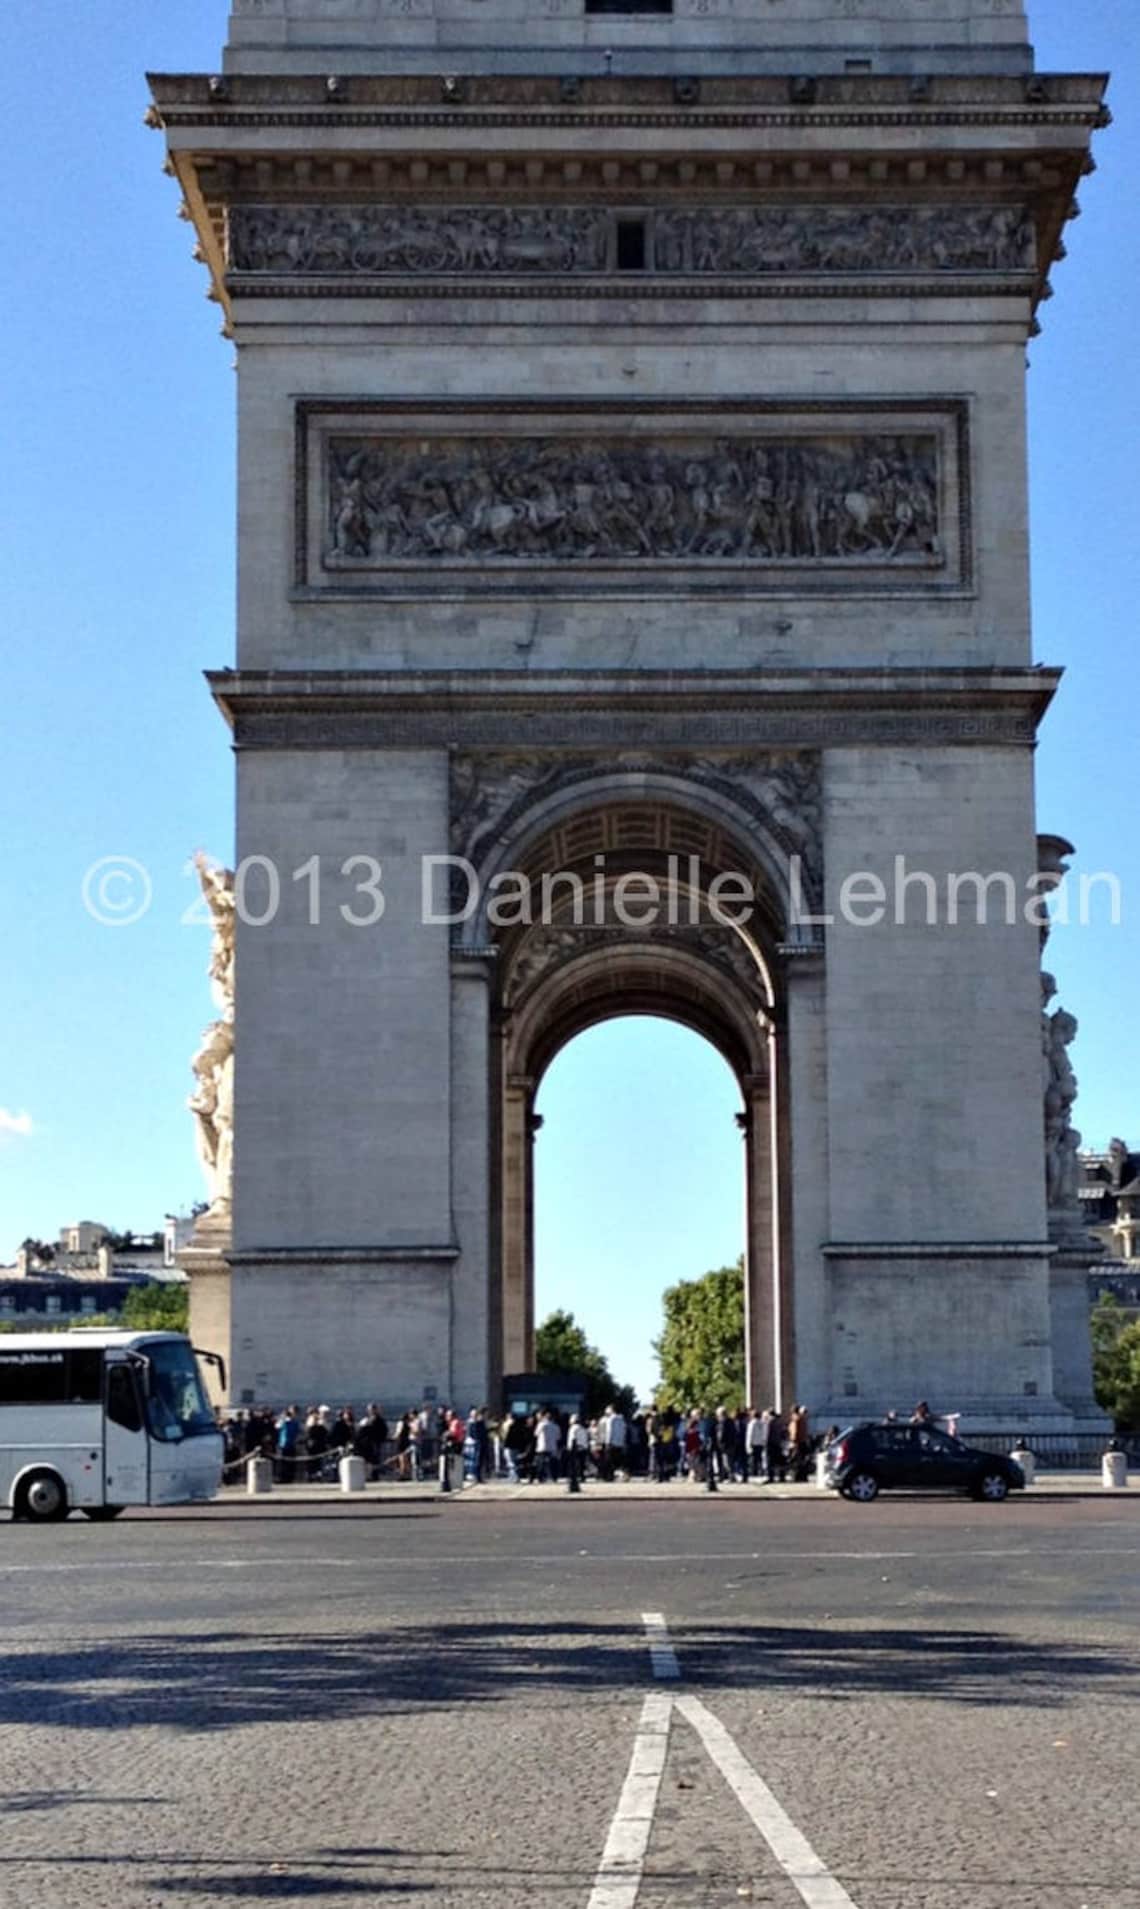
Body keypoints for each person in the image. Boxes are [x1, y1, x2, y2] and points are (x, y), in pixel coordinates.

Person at [533, 1408, 561, 1484]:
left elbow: (536, 1434)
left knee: (541, 1463)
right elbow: (558, 1437)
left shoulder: (541, 1425)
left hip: (542, 1446)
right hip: (552, 1447)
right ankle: (554, 1477)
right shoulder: (556, 1426)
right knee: (552, 1463)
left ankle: (541, 1478)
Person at [565, 1412, 589, 1490]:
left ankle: (573, 1479)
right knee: (582, 1464)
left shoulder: (573, 1428)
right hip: (583, 1448)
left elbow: (572, 1439)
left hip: (574, 1449)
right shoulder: (583, 1428)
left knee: (573, 1465)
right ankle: (582, 1477)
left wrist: (570, 1448)